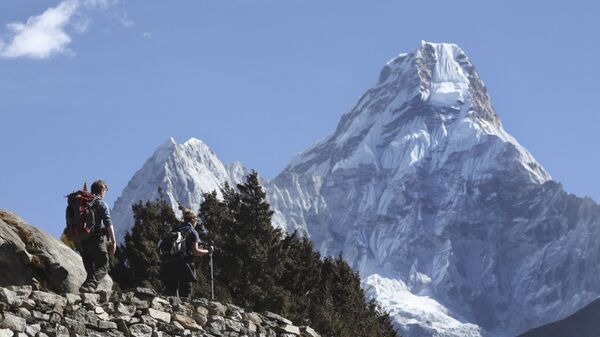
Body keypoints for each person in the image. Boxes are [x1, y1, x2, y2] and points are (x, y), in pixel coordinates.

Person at [159, 207, 213, 299]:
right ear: (194, 220)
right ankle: (182, 312)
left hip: (169, 264)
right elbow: (196, 251)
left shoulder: (175, 229)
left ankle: (165, 310)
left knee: (169, 293)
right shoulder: (192, 231)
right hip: (185, 266)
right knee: (185, 293)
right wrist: (208, 251)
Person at [79, 180, 117, 293]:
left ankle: (86, 291)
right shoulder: (101, 203)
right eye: (105, 189)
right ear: (102, 190)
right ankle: (89, 286)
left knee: (91, 270)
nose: (105, 192)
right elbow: (108, 223)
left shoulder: (83, 203)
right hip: (96, 238)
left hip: (82, 240)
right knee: (103, 265)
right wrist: (114, 242)